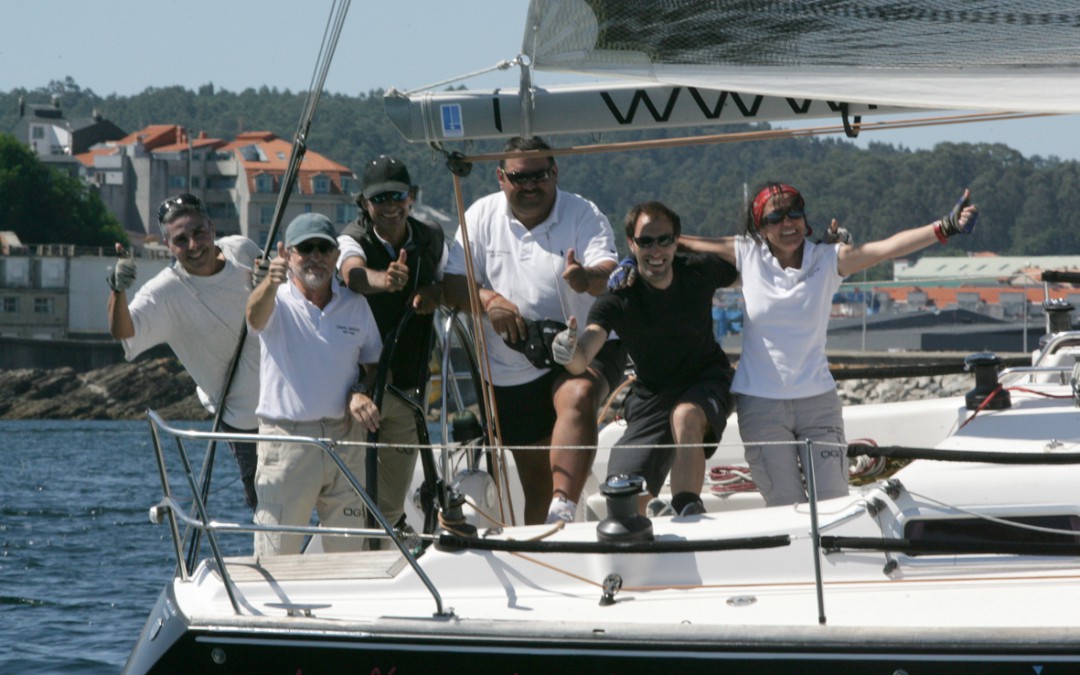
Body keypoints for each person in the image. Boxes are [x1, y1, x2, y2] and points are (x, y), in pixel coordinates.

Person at [674, 183, 979, 506]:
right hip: (761, 406)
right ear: (761, 228)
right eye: (775, 216)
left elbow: (887, 248)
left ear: (805, 220)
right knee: (785, 509)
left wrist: (945, 227)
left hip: (818, 405)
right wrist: (636, 253)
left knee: (833, 505)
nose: (787, 223)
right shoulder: (748, 253)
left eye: (794, 213)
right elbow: (683, 242)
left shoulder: (827, 259)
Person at [443, 136, 623, 525]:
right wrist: (489, 301)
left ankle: (564, 509)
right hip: (510, 366)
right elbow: (453, 283)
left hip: (585, 347)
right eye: (518, 177)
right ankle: (544, 547)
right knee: (534, 481)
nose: (529, 185)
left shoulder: (582, 213)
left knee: (579, 392)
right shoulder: (478, 215)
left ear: (555, 172)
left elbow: (607, 274)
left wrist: (584, 277)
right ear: (500, 177)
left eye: (539, 175)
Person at [553, 201, 739, 516]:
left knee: (685, 416)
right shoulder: (618, 296)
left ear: (676, 241)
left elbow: (746, 258)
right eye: (646, 242)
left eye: (664, 240)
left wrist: (686, 243)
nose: (656, 250)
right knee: (620, 488)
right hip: (652, 394)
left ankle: (687, 509)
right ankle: (654, 514)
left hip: (708, 379)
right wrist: (568, 350)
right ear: (631, 243)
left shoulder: (696, 270)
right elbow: (582, 358)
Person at [106, 193, 261, 511]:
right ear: (168, 246)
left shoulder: (243, 249)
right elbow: (124, 331)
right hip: (244, 420)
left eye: (199, 233)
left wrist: (271, 277)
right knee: (270, 507)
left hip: (296, 403)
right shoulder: (163, 293)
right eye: (181, 239)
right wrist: (118, 289)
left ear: (212, 228)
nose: (194, 245)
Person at [337, 155, 466, 532]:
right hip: (354, 390)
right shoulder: (352, 237)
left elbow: (456, 287)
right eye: (380, 199)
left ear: (412, 197)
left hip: (409, 386)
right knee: (349, 498)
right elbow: (352, 274)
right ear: (364, 203)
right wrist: (385, 281)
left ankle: (392, 543)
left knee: (389, 503)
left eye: (398, 196)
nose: (390, 206)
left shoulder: (432, 239)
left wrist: (434, 293)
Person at [246, 213, 383, 556]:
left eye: (324, 247)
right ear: (287, 254)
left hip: (346, 438)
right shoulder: (273, 300)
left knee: (350, 554)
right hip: (287, 440)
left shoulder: (356, 306)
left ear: (336, 255)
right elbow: (253, 318)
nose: (315, 256)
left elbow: (374, 364)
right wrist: (270, 282)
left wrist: (360, 391)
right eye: (305, 248)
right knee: (276, 555)